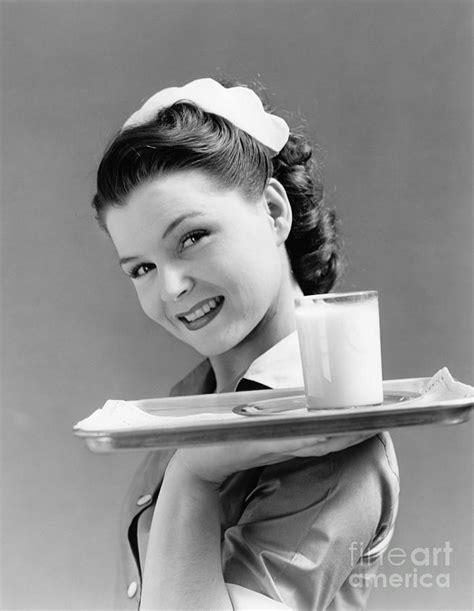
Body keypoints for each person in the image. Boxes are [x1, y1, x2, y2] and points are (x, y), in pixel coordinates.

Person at [91, 78, 400, 610]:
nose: (170, 288)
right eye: (141, 268)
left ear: (274, 211)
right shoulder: (197, 397)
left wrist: (192, 475)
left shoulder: (332, 437)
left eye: (191, 238)